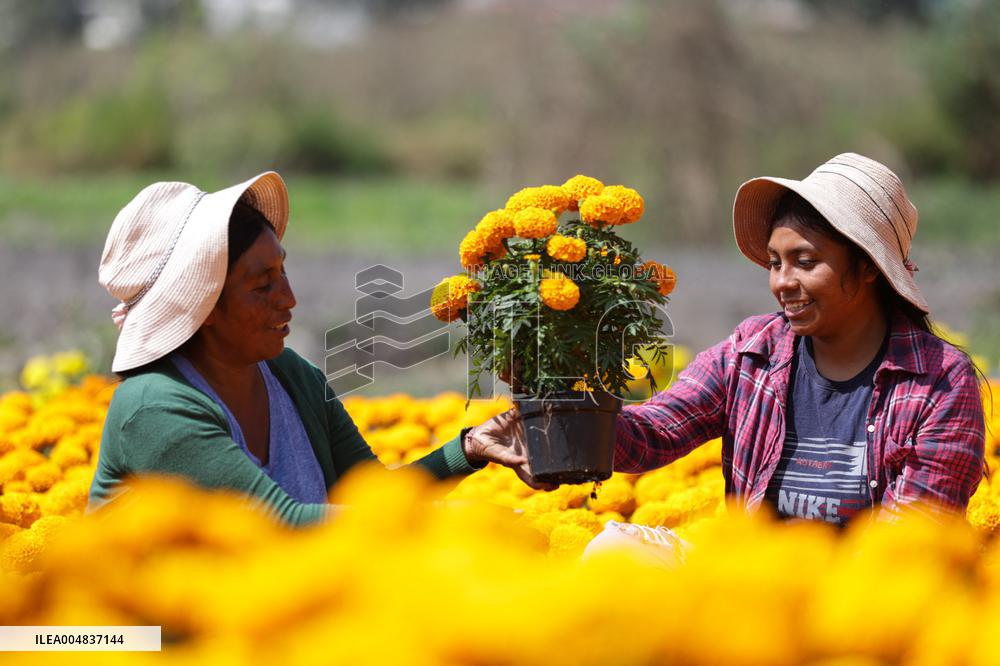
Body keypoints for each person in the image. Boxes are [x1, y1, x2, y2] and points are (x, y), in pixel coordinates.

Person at [495, 153, 987, 525]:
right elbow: (654, 433)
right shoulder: (752, 352)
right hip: (745, 583)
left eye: (805, 262)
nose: (782, 282)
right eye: (775, 262)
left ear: (868, 267)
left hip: (855, 605)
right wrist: (558, 415)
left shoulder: (939, 382)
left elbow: (912, 539)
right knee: (617, 553)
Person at [89, 172, 532, 526]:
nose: (289, 298)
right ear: (200, 306)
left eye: (282, 271)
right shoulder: (155, 408)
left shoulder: (290, 375)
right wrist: (448, 521)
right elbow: (281, 525)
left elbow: (371, 494)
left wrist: (469, 448)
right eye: (262, 285)